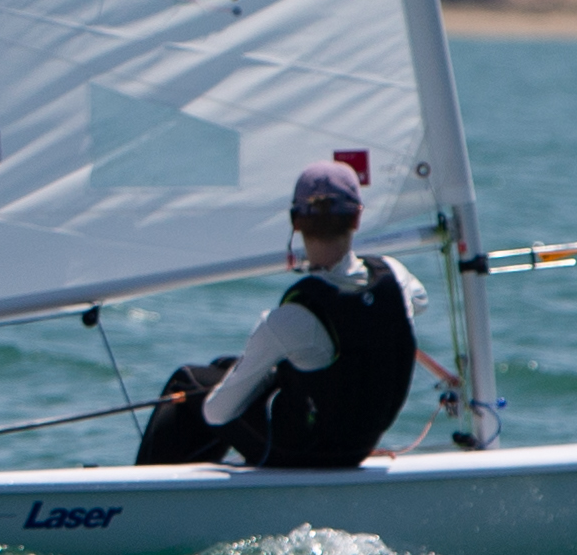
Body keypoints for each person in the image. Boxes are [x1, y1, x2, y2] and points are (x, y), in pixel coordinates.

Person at [134, 159, 422, 469]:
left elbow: (216, 414)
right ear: (357, 218)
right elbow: (418, 303)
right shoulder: (397, 278)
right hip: (360, 445)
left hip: (307, 453)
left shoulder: (287, 320)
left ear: (296, 221)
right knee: (225, 367)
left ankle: (139, 501)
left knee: (191, 382)